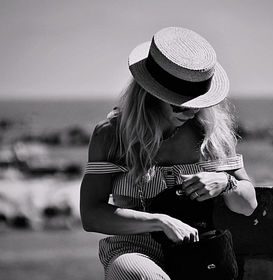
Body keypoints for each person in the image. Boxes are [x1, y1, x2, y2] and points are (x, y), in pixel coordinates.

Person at [80, 26, 257, 280]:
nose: (190, 113)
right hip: (134, 249)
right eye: (180, 105)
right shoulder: (111, 134)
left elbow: (249, 205)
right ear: (151, 95)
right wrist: (159, 221)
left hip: (200, 252)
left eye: (198, 104)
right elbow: (91, 215)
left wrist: (225, 182)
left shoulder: (212, 134)